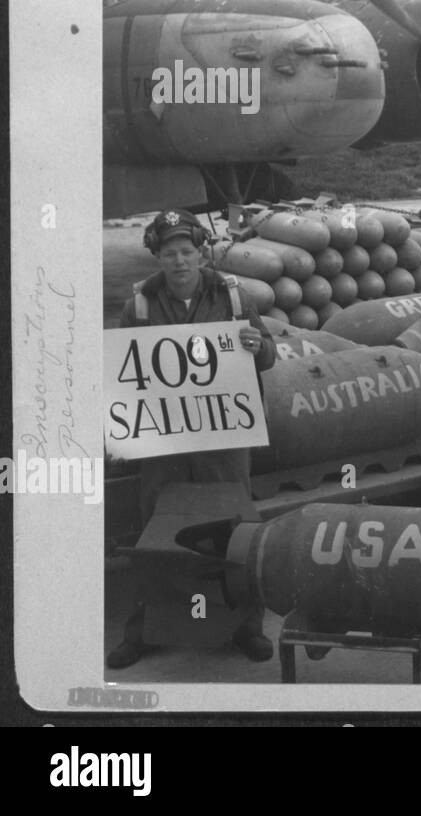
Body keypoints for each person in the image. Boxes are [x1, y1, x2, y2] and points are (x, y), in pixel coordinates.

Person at [106, 208, 277, 669]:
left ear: (201, 253)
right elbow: (126, 374)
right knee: (155, 528)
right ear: (157, 257)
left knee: (234, 525)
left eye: (187, 252)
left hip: (223, 436)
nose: (179, 262)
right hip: (165, 439)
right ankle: (143, 630)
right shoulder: (138, 305)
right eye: (168, 254)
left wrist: (260, 348)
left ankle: (246, 626)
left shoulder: (234, 296)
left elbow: (268, 357)